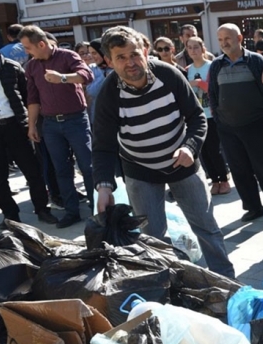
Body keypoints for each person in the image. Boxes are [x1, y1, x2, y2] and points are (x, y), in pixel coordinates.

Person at [92, 26, 234, 278]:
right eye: (121, 57)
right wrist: (104, 186)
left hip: (184, 165)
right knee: (151, 236)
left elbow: (197, 117)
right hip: (140, 171)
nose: (130, 63)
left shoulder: (168, 74)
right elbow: (103, 146)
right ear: (110, 61)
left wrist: (190, 148)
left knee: (206, 227)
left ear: (145, 52)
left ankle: (226, 279)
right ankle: (166, 284)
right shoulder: (108, 95)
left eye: (134, 54)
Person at [0, 31, 58, 228]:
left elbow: (29, 97)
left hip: (16, 126)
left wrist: (31, 124)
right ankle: (11, 216)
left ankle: (42, 210)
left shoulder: (13, 68)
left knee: (33, 170)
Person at [208, 24, 263, 224]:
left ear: (240, 38)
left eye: (228, 38)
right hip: (228, 129)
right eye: (221, 40)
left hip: (256, 125)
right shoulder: (216, 65)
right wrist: (219, 120)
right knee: (239, 171)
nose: (224, 43)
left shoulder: (256, 61)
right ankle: (253, 208)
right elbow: (213, 95)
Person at [20, 25, 95, 228]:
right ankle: (72, 212)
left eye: (28, 47)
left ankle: (98, 210)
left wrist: (63, 78)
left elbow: (87, 76)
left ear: (41, 44)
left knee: (88, 167)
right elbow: (33, 98)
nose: (27, 52)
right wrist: (32, 125)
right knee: (61, 169)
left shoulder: (67, 56)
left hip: (76, 120)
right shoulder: (32, 66)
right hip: (51, 125)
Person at [186, 36, 231, 196]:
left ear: (202, 48)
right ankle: (215, 180)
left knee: (214, 149)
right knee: (203, 151)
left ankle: (224, 180)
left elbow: (215, 90)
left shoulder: (212, 66)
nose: (193, 51)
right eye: (190, 48)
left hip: (212, 115)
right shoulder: (188, 70)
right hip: (196, 115)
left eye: (196, 47)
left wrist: (198, 83)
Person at [85, 40, 111, 120]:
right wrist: (105, 78)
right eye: (90, 53)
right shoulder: (91, 69)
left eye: (94, 53)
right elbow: (92, 92)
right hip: (96, 118)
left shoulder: (116, 68)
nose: (91, 56)